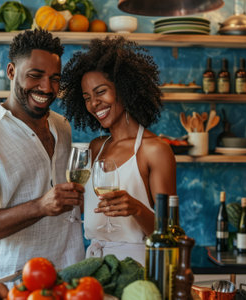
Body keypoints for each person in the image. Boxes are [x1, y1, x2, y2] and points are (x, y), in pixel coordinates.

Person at [0, 29, 85, 285]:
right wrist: (40, 206)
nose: (47, 88)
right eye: (35, 76)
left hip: (72, 275)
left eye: (55, 78)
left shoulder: (62, 126)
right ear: (12, 71)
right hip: (15, 281)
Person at [60, 37, 176, 265]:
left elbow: (170, 234)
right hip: (94, 265)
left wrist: (136, 208)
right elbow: (92, 210)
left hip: (138, 266)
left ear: (124, 89)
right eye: (87, 98)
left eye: (101, 92)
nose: (94, 104)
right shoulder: (96, 147)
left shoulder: (154, 150)